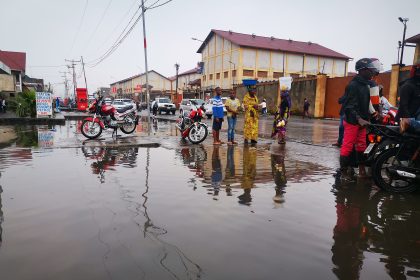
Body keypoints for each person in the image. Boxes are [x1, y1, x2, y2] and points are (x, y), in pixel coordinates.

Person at [339, 58, 377, 181]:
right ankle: (343, 173)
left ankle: (361, 171)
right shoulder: (353, 85)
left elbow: (367, 103)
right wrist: (359, 119)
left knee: (362, 146)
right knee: (348, 146)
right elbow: (349, 106)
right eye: (370, 70)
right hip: (352, 120)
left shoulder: (366, 85)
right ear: (362, 70)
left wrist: (373, 113)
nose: (372, 72)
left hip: (362, 120)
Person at [398, 62, 420, 133]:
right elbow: (403, 105)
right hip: (408, 119)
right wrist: (408, 120)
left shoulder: (417, 86)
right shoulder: (408, 86)